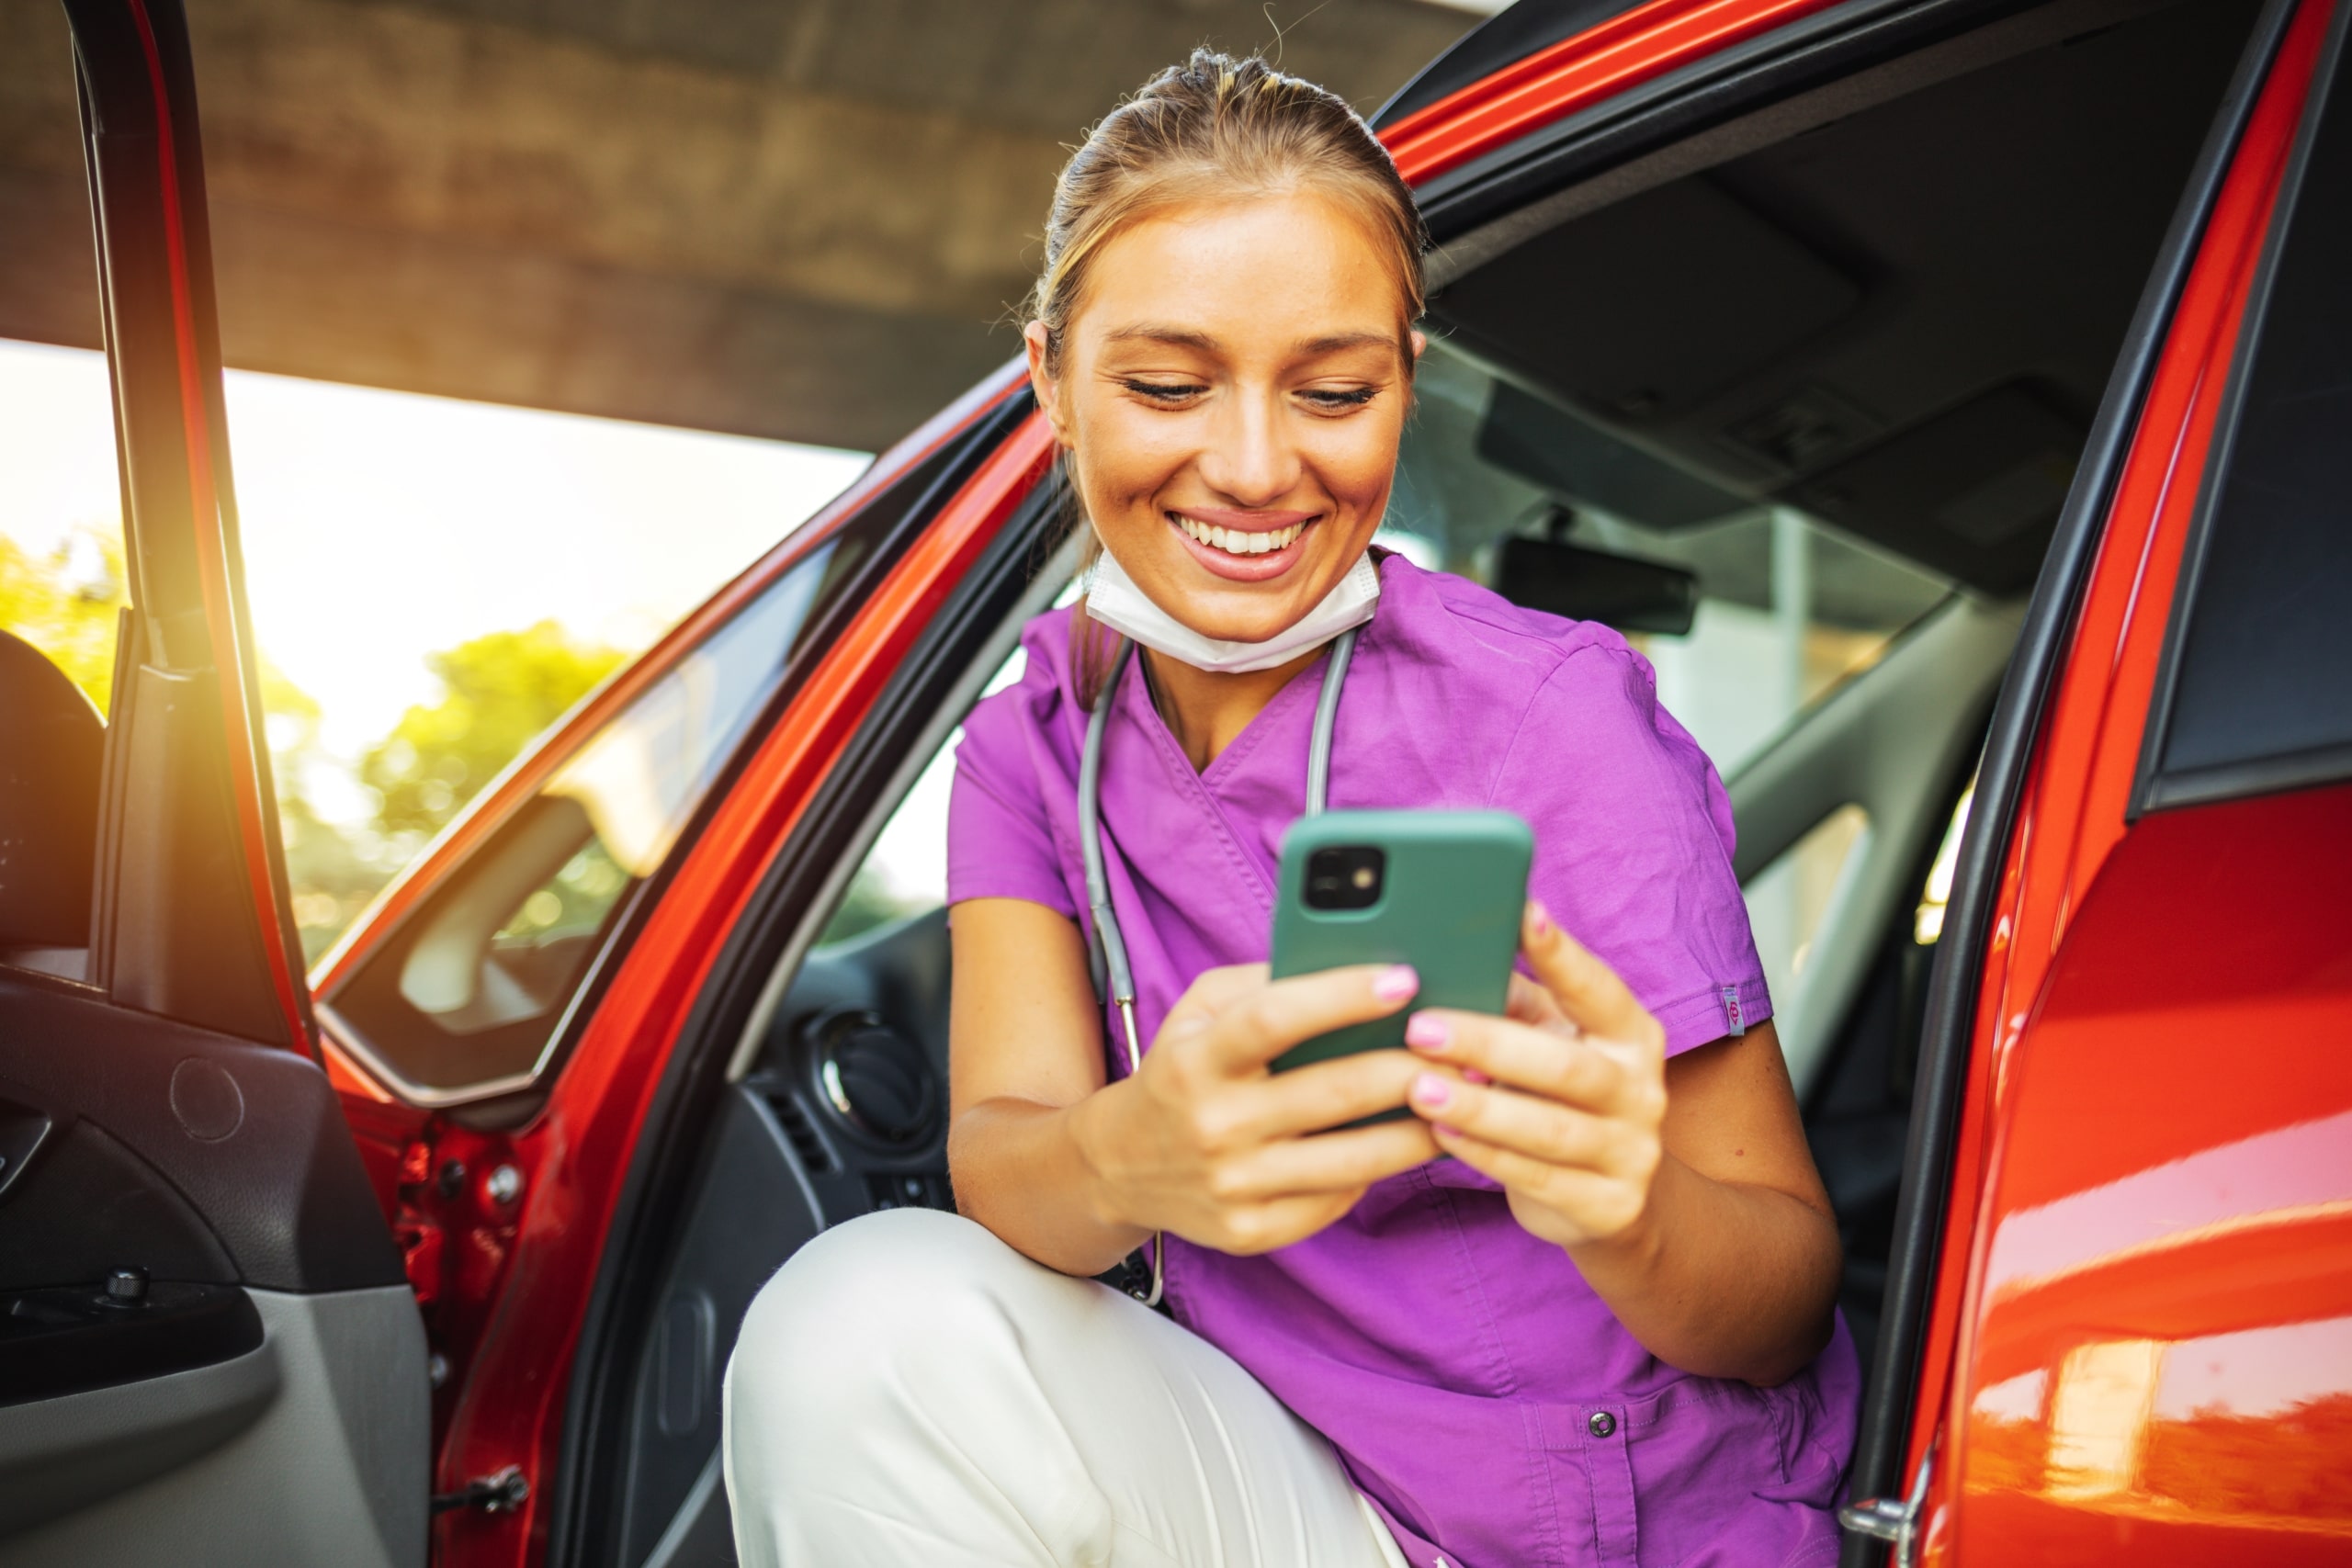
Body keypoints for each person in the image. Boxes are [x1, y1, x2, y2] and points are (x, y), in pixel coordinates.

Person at [724, 50, 1858, 1568]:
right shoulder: (1031, 750)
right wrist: (1135, 1155)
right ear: (1051, 376)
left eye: (1334, 390)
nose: (1255, 469)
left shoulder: (1550, 711)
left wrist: (1625, 1205)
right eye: (1166, 385)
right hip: (1298, 1482)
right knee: (849, 1326)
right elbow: (1005, 1148)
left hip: (1604, 1516)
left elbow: (1778, 1301)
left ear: (1407, 374)